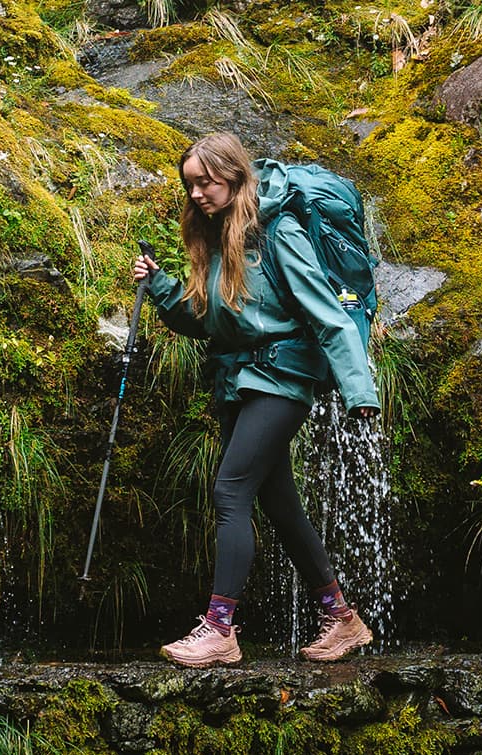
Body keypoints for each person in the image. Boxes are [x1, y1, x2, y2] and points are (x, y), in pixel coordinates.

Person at [132, 132, 381, 667]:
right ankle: (342, 619)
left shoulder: (277, 233)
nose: (198, 192)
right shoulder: (220, 239)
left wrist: (360, 390)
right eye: (190, 185)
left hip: (281, 378)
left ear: (234, 175)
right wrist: (161, 287)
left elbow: (328, 313)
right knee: (278, 503)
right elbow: (212, 321)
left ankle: (220, 630)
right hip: (240, 380)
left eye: (207, 181)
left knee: (230, 491)